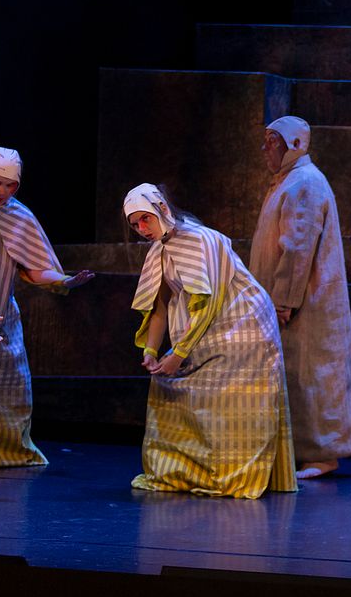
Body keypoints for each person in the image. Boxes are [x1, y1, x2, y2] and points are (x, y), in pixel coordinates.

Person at [124, 183, 297, 498]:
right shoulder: (160, 249)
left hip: (241, 325)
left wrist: (178, 353)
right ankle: (187, 471)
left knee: (228, 400)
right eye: (135, 224)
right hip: (204, 330)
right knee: (167, 387)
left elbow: (210, 302)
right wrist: (151, 349)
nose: (142, 229)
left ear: (162, 209)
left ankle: (229, 475)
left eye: (145, 219)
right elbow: (160, 306)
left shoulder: (200, 239)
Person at [250, 116, 351, 480]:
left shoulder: (304, 183)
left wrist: (283, 300)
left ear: (295, 145)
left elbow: (297, 248)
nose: (265, 149)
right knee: (299, 375)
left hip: (306, 299)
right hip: (292, 298)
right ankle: (303, 450)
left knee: (312, 374)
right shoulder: (290, 181)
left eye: (273, 142)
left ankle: (321, 453)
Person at [0, 147, 93, 467]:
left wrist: (64, 280)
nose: (1, 191)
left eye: (10, 185)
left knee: (5, 395)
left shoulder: (19, 216)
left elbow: (35, 269)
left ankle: (1, 453)